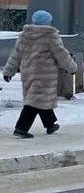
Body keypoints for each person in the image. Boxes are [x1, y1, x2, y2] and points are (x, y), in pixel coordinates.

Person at [2, 10, 78, 139]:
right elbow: (61, 54)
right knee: (35, 100)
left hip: (28, 72)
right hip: (44, 74)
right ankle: (21, 128)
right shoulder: (50, 35)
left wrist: (9, 71)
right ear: (48, 22)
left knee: (39, 98)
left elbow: (16, 55)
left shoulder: (24, 35)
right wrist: (72, 68)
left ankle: (50, 124)